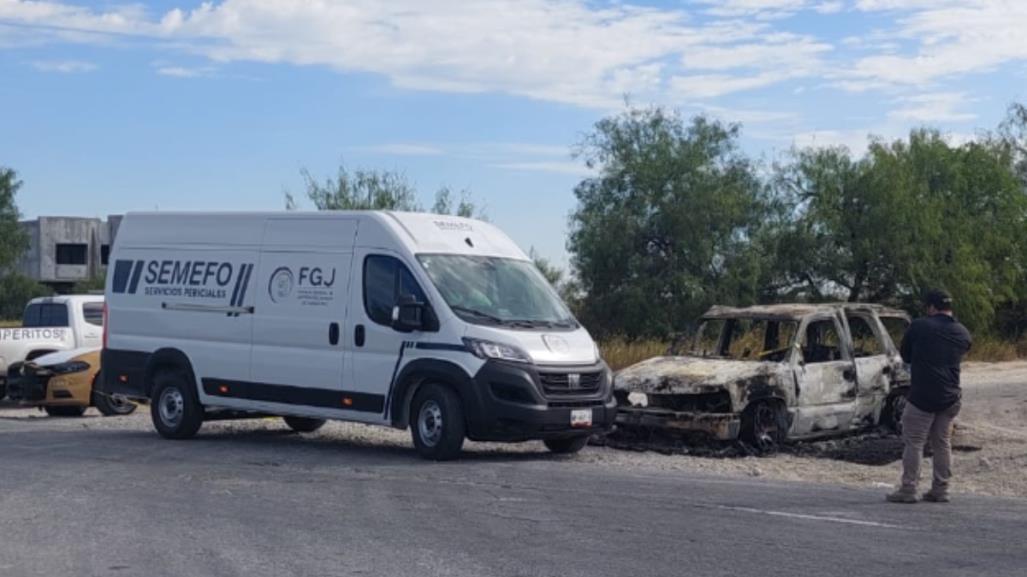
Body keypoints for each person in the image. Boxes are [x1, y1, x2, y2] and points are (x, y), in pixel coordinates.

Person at [887, 289, 972, 504]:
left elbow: (905, 355)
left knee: (914, 442)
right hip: (951, 396)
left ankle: (908, 489)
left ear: (931, 307)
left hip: (922, 395)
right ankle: (941, 488)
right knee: (942, 442)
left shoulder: (919, 326)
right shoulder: (962, 332)